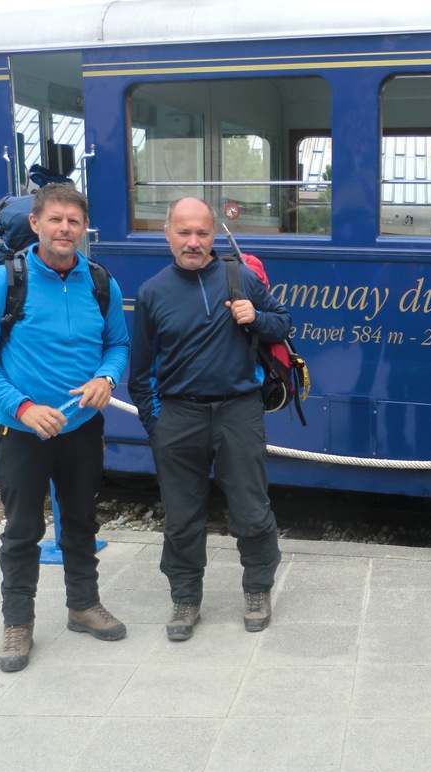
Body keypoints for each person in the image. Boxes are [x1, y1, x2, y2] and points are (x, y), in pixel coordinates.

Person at [0, 182, 131, 673]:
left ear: (84, 228)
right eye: (55, 219)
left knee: (80, 521)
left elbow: (117, 344)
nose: (64, 229)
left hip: (82, 427)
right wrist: (23, 407)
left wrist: (106, 377)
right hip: (21, 431)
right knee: (23, 530)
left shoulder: (100, 282)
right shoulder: (6, 281)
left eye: (73, 221)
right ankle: (18, 623)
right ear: (36, 224)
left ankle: (83, 605)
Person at [128, 197, 291, 640]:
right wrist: (156, 425)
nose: (193, 241)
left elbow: (283, 323)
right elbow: (139, 372)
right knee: (182, 517)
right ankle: (185, 598)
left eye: (202, 233)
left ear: (213, 235)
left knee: (251, 510)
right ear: (168, 235)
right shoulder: (152, 293)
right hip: (179, 415)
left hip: (239, 410)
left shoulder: (241, 277)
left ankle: (257, 589)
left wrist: (257, 317)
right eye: (184, 232)